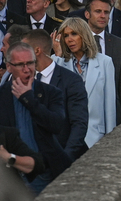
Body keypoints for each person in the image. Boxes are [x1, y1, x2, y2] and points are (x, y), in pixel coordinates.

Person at [0, 42, 72, 195]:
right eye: (20, 64)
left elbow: (56, 125)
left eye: (30, 63)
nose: (27, 69)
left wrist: (28, 99)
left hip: (44, 173)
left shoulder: (50, 93)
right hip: (11, 175)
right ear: (9, 67)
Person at [23, 29, 89, 161]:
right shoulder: (23, 79)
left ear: (37, 51)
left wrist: (64, 158)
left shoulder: (71, 81)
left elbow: (79, 124)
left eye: (24, 49)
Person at [52, 17, 116, 148]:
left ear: (84, 35)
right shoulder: (57, 61)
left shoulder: (105, 62)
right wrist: (58, 56)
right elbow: (53, 93)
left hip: (95, 138)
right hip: (67, 139)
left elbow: (109, 106)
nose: (70, 39)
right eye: (66, 36)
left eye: (74, 34)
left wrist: (109, 142)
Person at [84, 0, 121, 125]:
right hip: (85, 112)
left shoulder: (119, 43)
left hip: (112, 112)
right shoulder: (77, 42)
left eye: (106, 12)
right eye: (98, 11)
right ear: (87, 14)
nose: (103, 16)